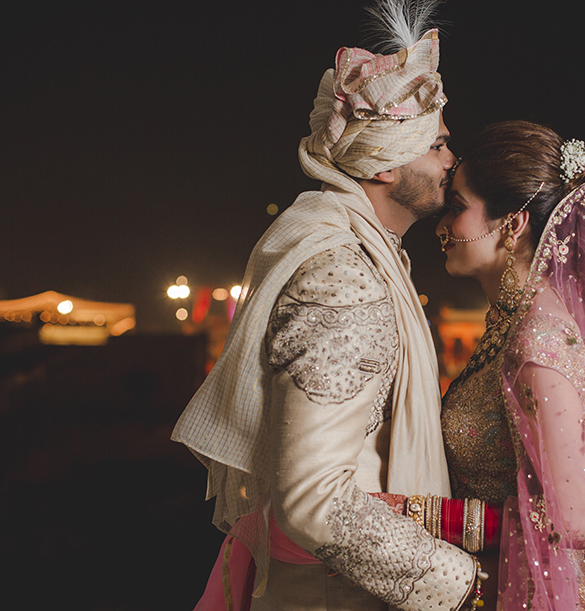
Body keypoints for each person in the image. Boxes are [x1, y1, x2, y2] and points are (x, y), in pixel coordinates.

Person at [171, 11, 481, 611]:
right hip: (335, 594)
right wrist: (467, 586)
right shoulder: (343, 278)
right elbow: (315, 499)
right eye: (438, 144)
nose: (452, 161)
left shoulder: (364, 253)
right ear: (385, 164)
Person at [412, 120, 585, 610]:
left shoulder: (538, 339)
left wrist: (424, 516)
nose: (441, 227)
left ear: (512, 223)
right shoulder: (512, 321)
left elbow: (571, 520)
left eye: (457, 208)